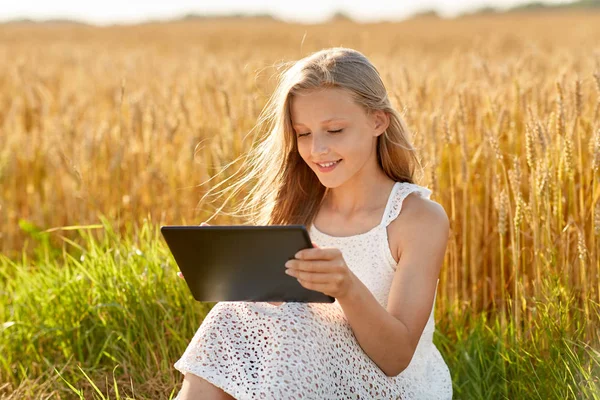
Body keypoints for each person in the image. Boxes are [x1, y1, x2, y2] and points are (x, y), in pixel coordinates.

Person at [173, 47, 452, 399]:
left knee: (292, 332)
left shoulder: (416, 219)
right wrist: (234, 275)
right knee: (231, 314)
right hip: (306, 369)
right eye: (303, 133)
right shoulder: (299, 208)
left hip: (392, 386)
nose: (317, 148)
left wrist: (346, 288)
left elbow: (396, 358)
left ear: (378, 122)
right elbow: (277, 313)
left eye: (334, 130)